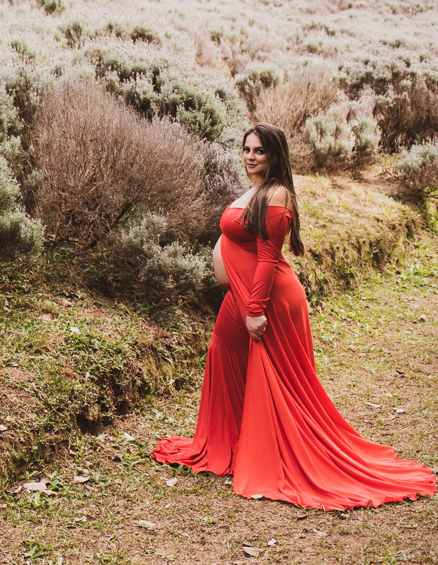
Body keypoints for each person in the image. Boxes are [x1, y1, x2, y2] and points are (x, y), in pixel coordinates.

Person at [153, 122, 437, 509]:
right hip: (242, 293)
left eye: (260, 151)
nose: (251, 157)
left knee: (281, 378)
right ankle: (227, 442)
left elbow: (268, 257)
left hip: (267, 298)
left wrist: (254, 310)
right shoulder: (256, 189)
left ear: (275, 155)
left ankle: (275, 449)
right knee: (223, 350)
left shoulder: (278, 195)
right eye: (247, 149)